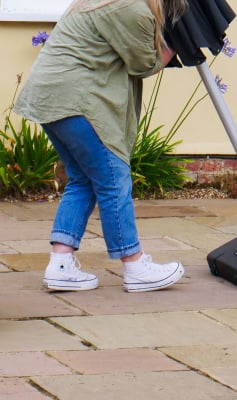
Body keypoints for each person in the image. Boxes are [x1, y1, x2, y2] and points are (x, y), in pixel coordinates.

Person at [14, 0, 188, 292]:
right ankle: (134, 265)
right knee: (113, 179)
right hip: (76, 100)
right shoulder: (132, 8)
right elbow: (144, 64)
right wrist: (180, 43)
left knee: (82, 180)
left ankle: (60, 265)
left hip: (50, 98)